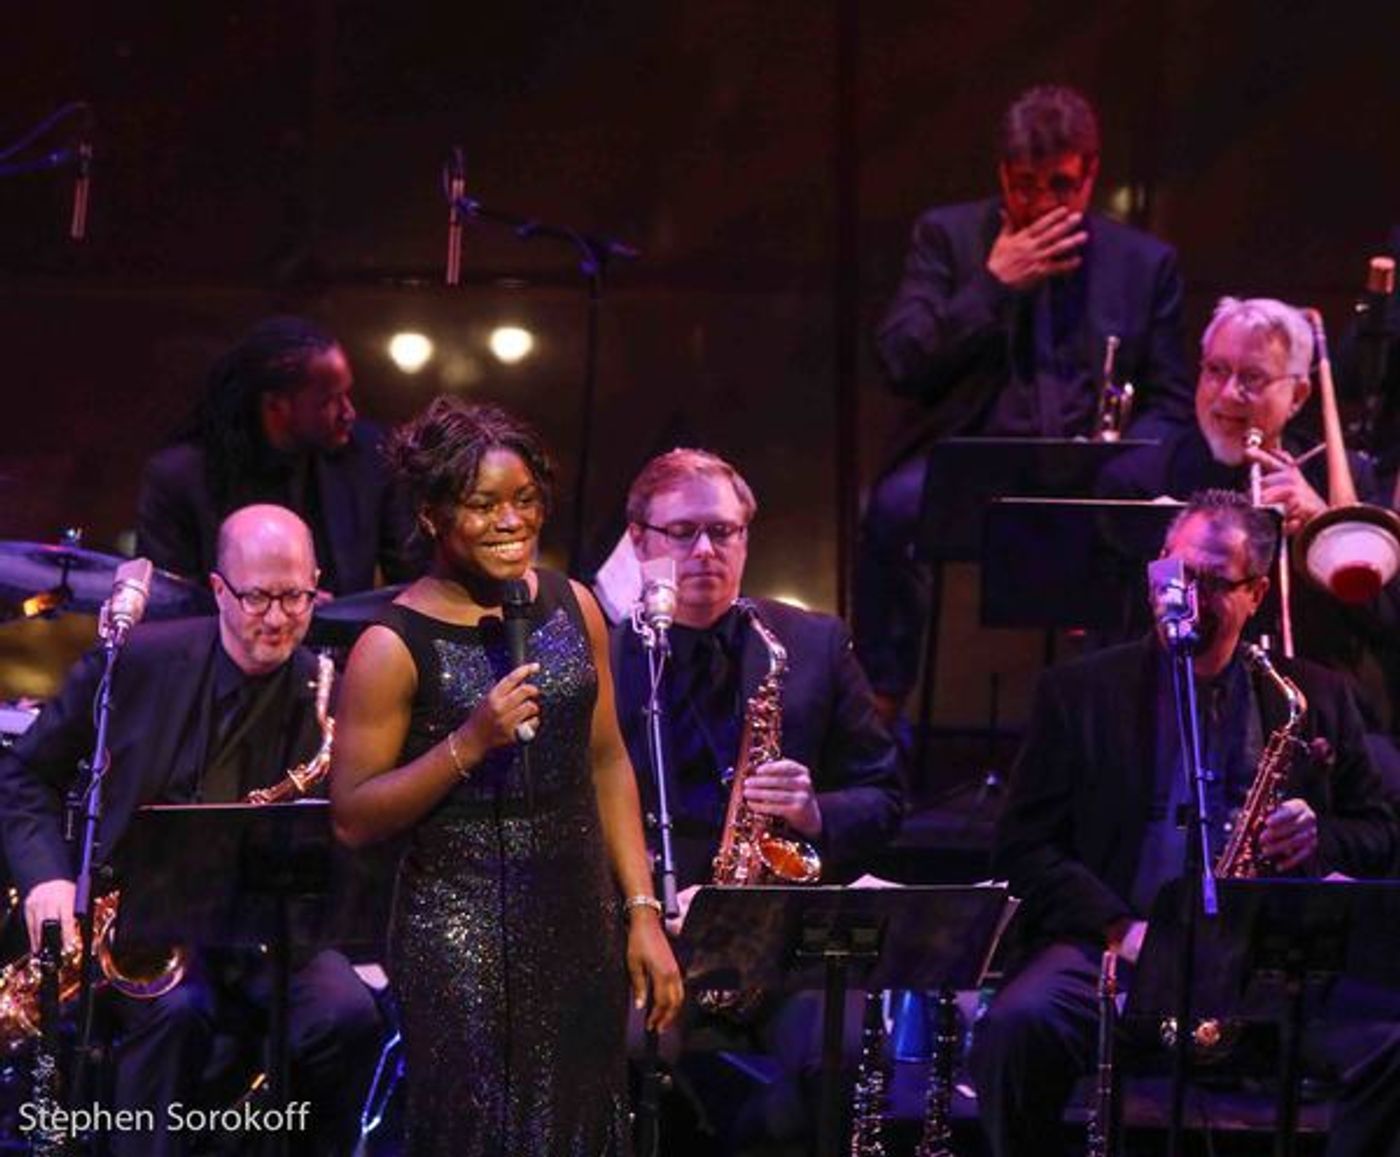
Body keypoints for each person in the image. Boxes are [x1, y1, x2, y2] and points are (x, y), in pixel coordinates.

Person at [968, 490, 1400, 1157]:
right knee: (1020, 1025)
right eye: (1175, 573)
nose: (1186, 595)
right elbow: (1022, 847)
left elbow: (1378, 833)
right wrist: (1121, 927)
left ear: (1256, 594)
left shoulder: (1314, 695)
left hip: (1267, 960)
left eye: (1211, 581)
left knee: (1390, 1044)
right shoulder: (1078, 691)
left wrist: (1319, 835)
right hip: (1117, 946)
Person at [329, 397, 682, 1157]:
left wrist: (643, 911)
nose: (511, 521)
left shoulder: (572, 603)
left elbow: (608, 758)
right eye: (483, 505)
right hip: (458, 933)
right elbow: (354, 814)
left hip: (581, 918)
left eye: (525, 501)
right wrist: (469, 740)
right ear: (431, 515)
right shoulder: (390, 646)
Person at [0, 504, 384, 1157]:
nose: (278, 617)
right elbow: (24, 775)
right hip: (140, 925)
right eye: (258, 596)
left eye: (296, 595)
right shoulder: (136, 661)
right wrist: (51, 879)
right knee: (175, 1015)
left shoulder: (326, 688)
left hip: (265, 933)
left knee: (348, 1014)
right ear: (217, 588)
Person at [855, 83, 1193, 720]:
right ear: (1002, 175)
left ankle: (1120, 720)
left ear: (1091, 175)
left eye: (1060, 186)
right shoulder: (949, 237)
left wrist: (1122, 469)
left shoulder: (1145, 264)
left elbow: (1171, 402)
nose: (1041, 205)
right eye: (1024, 185)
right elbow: (900, 360)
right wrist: (991, 285)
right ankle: (880, 709)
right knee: (891, 513)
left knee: (1150, 520)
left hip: (1095, 474)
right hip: (970, 468)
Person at [610, 448, 903, 1149]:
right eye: (684, 532)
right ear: (640, 539)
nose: (707, 550)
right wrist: (642, 902)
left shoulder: (812, 643)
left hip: (786, 940)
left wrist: (816, 811)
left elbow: (886, 796)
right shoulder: (603, 656)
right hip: (652, 940)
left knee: (844, 1054)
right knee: (628, 1058)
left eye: (726, 531)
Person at [136, 315, 425, 597]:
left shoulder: (371, 457)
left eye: (346, 394)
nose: (348, 412)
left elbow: (412, 580)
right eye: (328, 401)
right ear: (276, 405)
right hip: (226, 645)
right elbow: (169, 607)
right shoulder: (180, 477)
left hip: (344, 644)